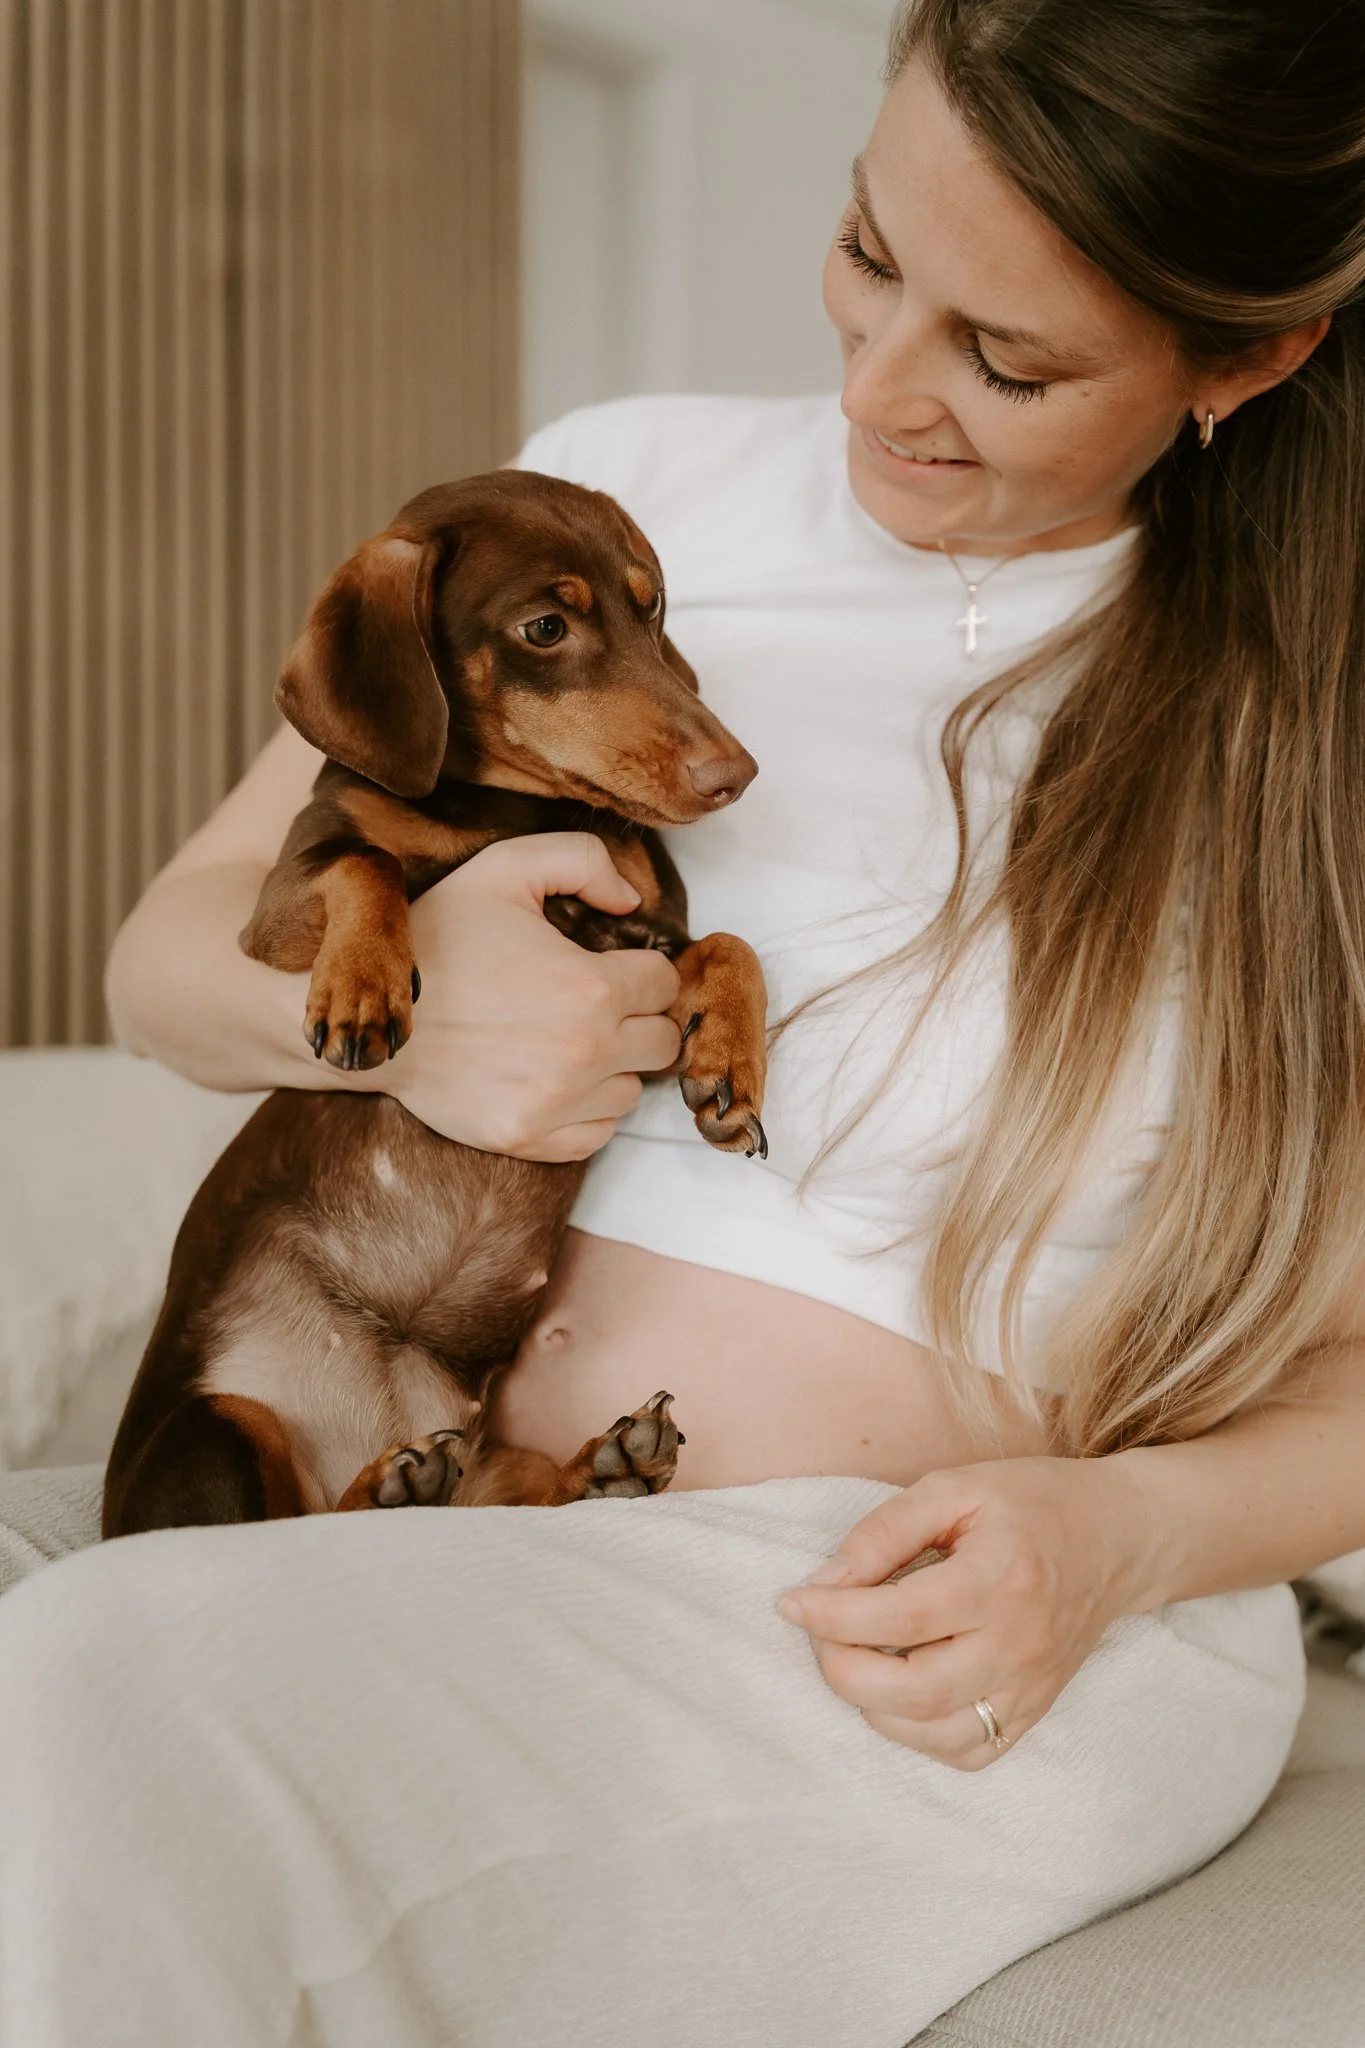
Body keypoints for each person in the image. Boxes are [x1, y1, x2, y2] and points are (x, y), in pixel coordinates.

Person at [3, 2, 1364, 2040]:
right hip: (392, 1480)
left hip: (890, 1603)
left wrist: (1121, 1530)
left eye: (1004, 360)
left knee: (102, 1689)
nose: (878, 389)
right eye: (868, 255)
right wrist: (423, 1012)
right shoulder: (609, 494)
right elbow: (167, 964)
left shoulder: (1312, 733)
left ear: (1243, 359)